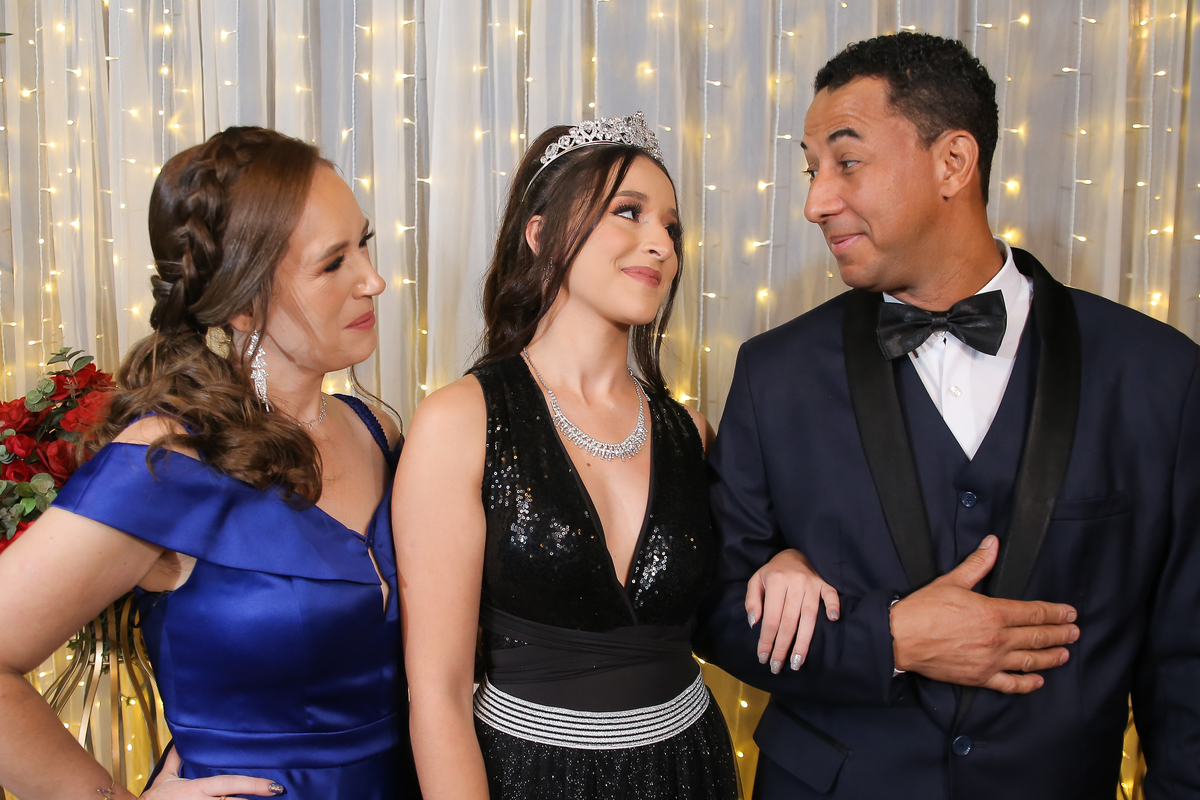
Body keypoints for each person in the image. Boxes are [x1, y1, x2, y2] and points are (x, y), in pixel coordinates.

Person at [696, 32, 1200, 799]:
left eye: (846, 161)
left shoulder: (1158, 374)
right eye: (811, 170)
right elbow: (713, 612)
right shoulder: (775, 374)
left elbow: (1188, 660)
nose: (815, 202)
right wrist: (889, 638)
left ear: (953, 162)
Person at [394, 113, 836, 800]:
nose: (660, 243)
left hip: (690, 770)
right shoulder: (460, 422)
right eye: (629, 212)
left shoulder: (691, 433)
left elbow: (740, 579)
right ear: (540, 234)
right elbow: (439, 696)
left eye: (671, 228)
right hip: (528, 778)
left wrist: (787, 560)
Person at [0, 127, 420, 799]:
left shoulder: (378, 430)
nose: (374, 280)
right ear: (244, 304)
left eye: (363, 245)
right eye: (333, 263)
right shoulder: (166, 463)